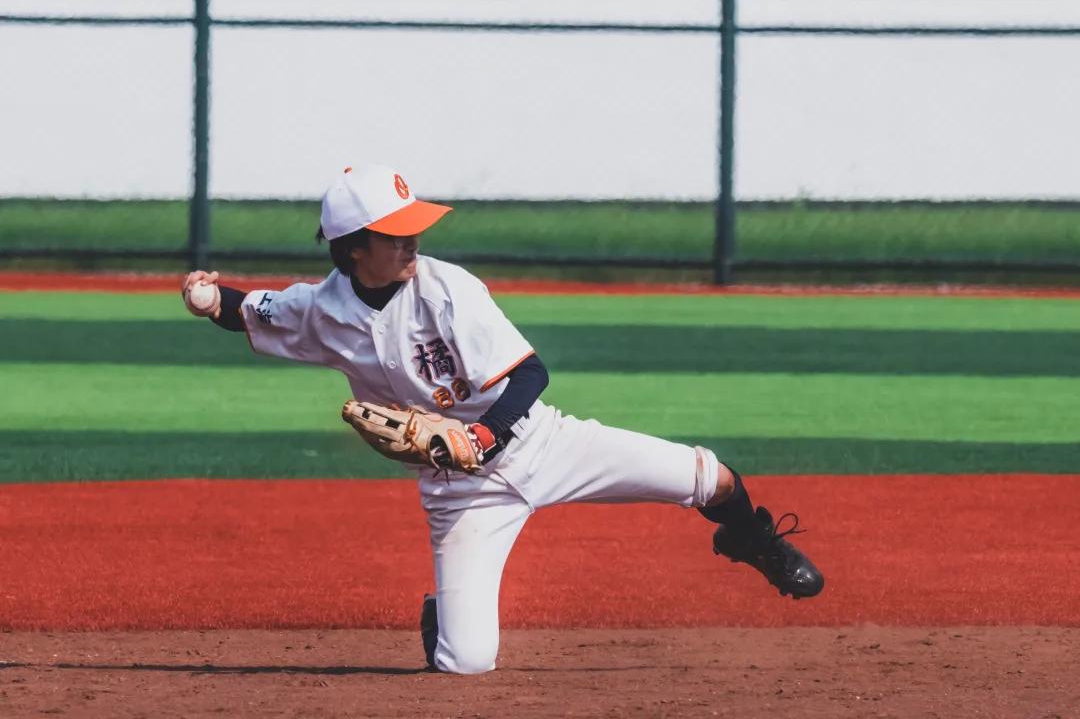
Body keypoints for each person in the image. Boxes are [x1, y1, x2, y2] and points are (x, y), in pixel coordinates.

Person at [181, 163, 824, 675]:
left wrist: (483, 433)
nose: (413, 240)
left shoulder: (446, 288)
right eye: (394, 231)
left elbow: (531, 375)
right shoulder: (321, 310)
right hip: (460, 491)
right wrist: (209, 299)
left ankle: (754, 540)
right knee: (467, 663)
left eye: (414, 226)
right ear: (352, 249)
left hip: (542, 445)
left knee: (708, 478)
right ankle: (445, 613)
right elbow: (255, 309)